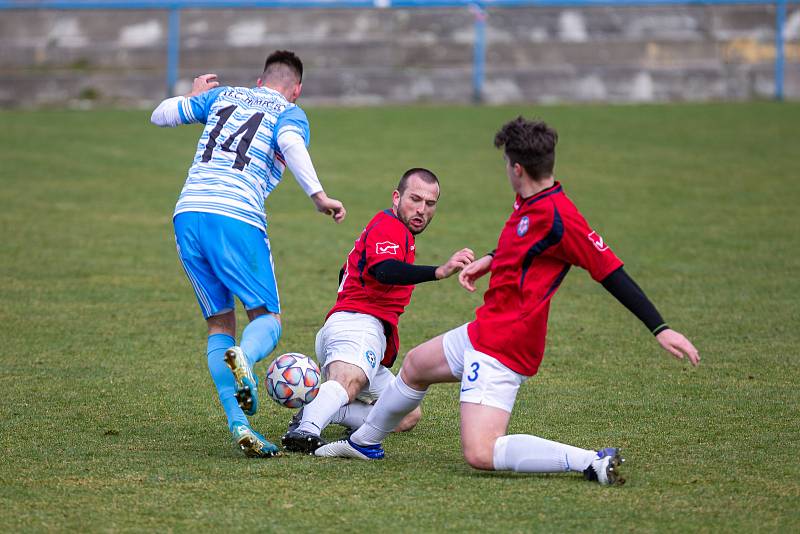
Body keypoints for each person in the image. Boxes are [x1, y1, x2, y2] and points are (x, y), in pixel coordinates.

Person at [315, 117, 700, 485]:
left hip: (505, 343)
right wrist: (489, 260)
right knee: (415, 365)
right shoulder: (531, 200)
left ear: (516, 169)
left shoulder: (560, 217)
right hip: (487, 327)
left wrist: (660, 328)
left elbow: (611, 272)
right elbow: (524, 245)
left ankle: (590, 461)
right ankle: (363, 444)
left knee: (481, 453)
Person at [150, 50, 346, 458]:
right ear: (297, 90)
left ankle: (239, 423)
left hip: (187, 214)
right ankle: (246, 355)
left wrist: (192, 95)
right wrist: (318, 195)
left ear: (259, 80)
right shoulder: (290, 111)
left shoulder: (222, 96)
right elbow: (290, 143)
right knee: (267, 319)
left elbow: (160, 114)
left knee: (219, 321)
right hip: (236, 215)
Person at [282, 168, 474, 454]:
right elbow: (384, 270)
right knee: (347, 382)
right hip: (358, 328)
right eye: (415, 199)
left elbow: (346, 270)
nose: (421, 209)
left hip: (351, 329)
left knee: (405, 413)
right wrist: (439, 271)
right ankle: (306, 430)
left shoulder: (397, 232)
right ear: (397, 197)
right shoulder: (390, 226)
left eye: (430, 203)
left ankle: (328, 409)